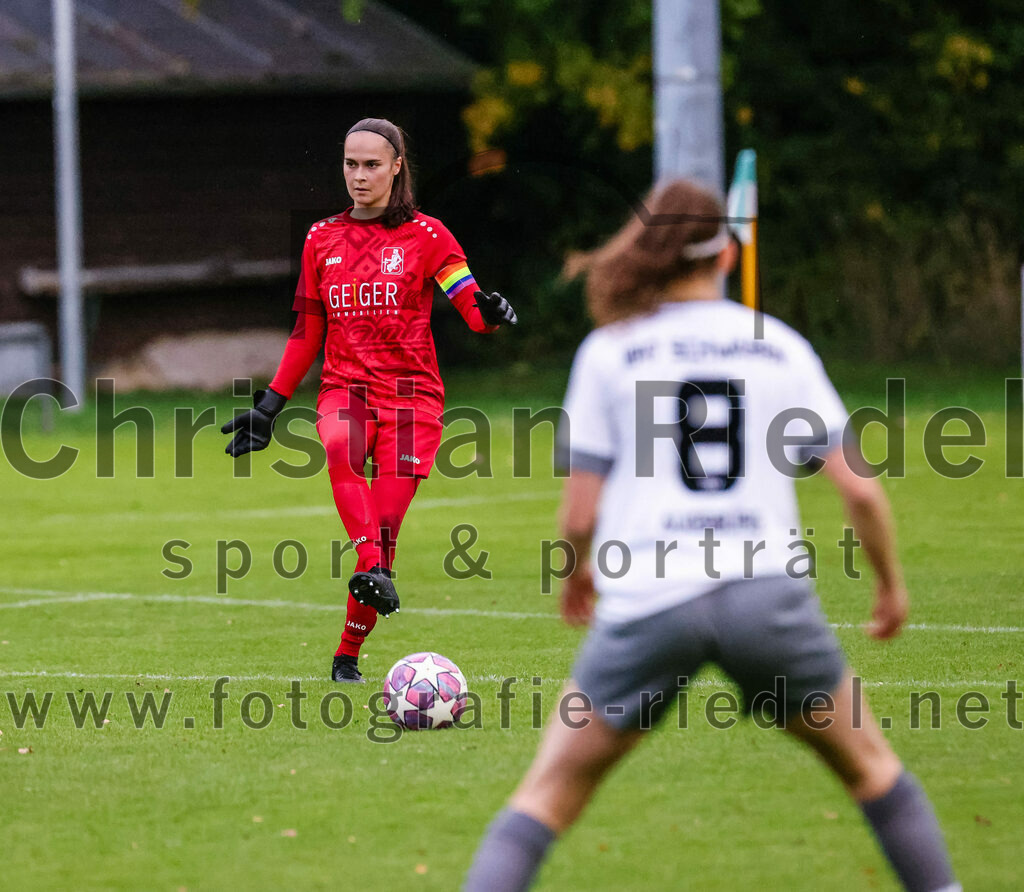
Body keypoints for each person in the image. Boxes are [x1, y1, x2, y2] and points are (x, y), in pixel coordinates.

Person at [464, 180, 959, 891]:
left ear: (650, 252)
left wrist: (578, 572)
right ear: (726, 253)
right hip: (766, 598)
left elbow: (578, 516)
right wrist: (889, 583)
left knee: (545, 795)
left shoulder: (611, 352)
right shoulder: (779, 348)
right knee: (874, 770)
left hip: (650, 602)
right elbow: (859, 488)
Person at [221, 118, 517, 683]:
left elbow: (472, 309)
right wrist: (269, 406)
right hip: (346, 389)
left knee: (383, 529)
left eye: (372, 165)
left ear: (397, 166)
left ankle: (347, 653)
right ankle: (374, 568)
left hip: (413, 399)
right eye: (351, 164)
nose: (359, 176)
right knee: (338, 445)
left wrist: (492, 312)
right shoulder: (320, 238)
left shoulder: (430, 238)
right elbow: (308, 331)